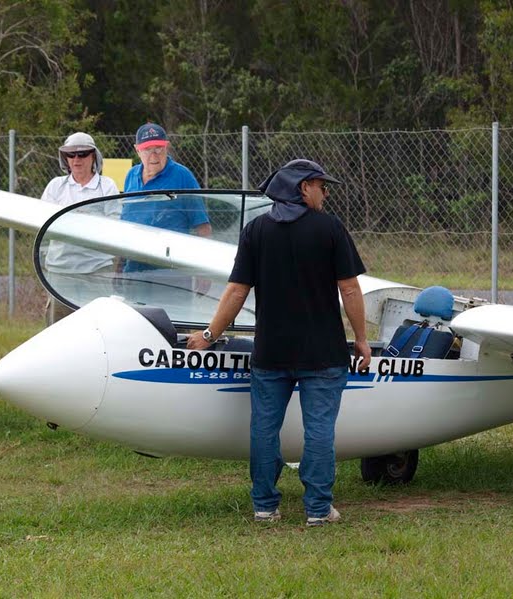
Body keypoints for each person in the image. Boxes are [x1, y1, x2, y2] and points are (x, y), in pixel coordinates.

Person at [187, 159, 371, 527]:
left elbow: (236, 290)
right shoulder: (330, 228)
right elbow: (350, 289)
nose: (325, 193)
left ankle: (265, 506)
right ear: (303, 189)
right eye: (321, 186)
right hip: (323, 352)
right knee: (319, 430)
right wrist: (362, 340)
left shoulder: (256, 230)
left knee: (263, 429)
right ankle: (318, 509)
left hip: (271, 352)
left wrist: (209, 336)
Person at [119, 122, 212, 296]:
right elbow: (125, 222)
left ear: (166, 147)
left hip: (171, 269)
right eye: (147, 149)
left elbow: (203, 226)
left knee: (172, 313)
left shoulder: (183, 176)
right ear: (137, 150)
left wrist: (204, 270)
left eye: (158, 148)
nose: (154, 155)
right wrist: (119, 265)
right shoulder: (131, 176)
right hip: (135, 267)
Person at [40, 132, 120, 325]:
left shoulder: (107, 186)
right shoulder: (55, 186)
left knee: (99, 326)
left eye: (83, 154)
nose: (77, 159)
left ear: (94, 156)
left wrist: (69, 221)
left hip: (97, 270)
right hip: (60, 270)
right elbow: (43, 222)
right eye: (71, 154)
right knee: (57, 327)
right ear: (65, 158)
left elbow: (115, 226)